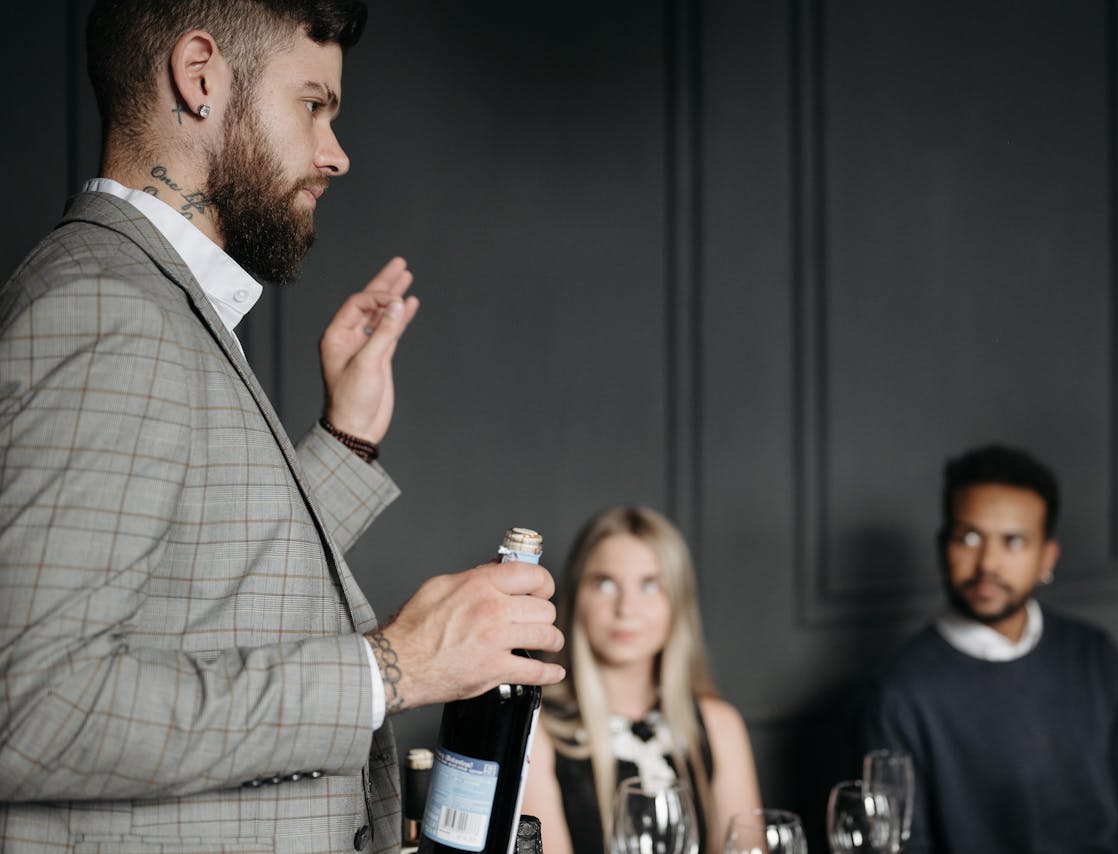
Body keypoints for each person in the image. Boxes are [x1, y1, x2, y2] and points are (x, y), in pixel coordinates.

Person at [0, 2, 564, 852]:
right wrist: (395, 667)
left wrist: (346, 439)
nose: (336, 153)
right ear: (201, 78)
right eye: (313, 105)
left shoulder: (147, 299)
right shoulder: (106, 307)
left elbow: (204, 594)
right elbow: (33, 710)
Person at [859, 444, 1118, 854]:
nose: (988, 562)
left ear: (1047, 556)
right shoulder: (901, 692)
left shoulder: (1093, 654)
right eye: (969, 537)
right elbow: (901, 848)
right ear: (943, 547)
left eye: (1013, 541)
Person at [522, 506, 762, 854]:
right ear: (576, 599)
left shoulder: (719, 724)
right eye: (605, 583)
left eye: (650, 585)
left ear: (677, 602)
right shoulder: (537, 733)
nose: (626, 608)